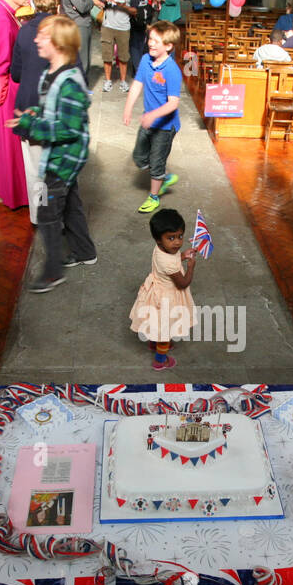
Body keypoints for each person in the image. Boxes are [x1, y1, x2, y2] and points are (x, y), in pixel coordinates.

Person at [10, 15, 97, 294]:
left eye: (43, 36)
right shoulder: (51, 73)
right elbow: (52, 111)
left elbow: (68, 128)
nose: (36, 38)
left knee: (48, 210)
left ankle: (52, 272)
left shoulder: (69, 82)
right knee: (70, 203)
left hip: (63, 159)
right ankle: (85, 252)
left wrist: (32, 124)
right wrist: (35, 113)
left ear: (58, 44)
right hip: (59, 156)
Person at [12, 0, 66, 216]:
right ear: (57, 6)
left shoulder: (24, 31)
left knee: (35, 167)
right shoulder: (62, 32)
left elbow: (15, 73)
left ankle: (39, 214)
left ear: (34, 3)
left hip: (29, 108)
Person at [124, 20, 183, 214]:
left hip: (165, 127)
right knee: (139, 158)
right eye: (150, 39)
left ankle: (154, 196)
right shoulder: (145, 61)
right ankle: (163, 177)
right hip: (149, 120)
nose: (151, 43)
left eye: (156, 41)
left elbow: (173, 103)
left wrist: (153, 115)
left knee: (157, 162)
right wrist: (128, 107)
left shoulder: (172, 70)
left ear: (168, 46)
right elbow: (137, 85)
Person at [130, 208, 197, 371]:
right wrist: (190, 267)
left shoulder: (161, 248)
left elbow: (172, 258)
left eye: (180, 236)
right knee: (165, 330)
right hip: (168, 298)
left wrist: (182, 255)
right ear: (158, 239)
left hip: (156, 292)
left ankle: (154, 343)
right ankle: (160, 359)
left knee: (158, 324)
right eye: (171, 238)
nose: (177, 243)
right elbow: (183, 283)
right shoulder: (168, 263)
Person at [0, 0, 31, 209]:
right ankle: (15, 193)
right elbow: (2, 61)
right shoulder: (0, 15)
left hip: (14, 82)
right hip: (8, 87)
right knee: (12, 142)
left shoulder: (10, 11)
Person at [94, 0, 135, 93]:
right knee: (107, 55)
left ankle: (123, 81)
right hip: (108, 25)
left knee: (123, 56)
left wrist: (124, 6)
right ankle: (108, 80)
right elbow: (100, 0)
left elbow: (135, 10)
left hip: (123, 27)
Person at [61, 0, 94, 82]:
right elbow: (82, 6)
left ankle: (83, 83)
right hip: (78, 25)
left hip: (85, 23)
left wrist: (88, 2)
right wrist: (90, 2)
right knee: (82, 59)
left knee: (86, 56)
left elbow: (86, 1)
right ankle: (80, 85)